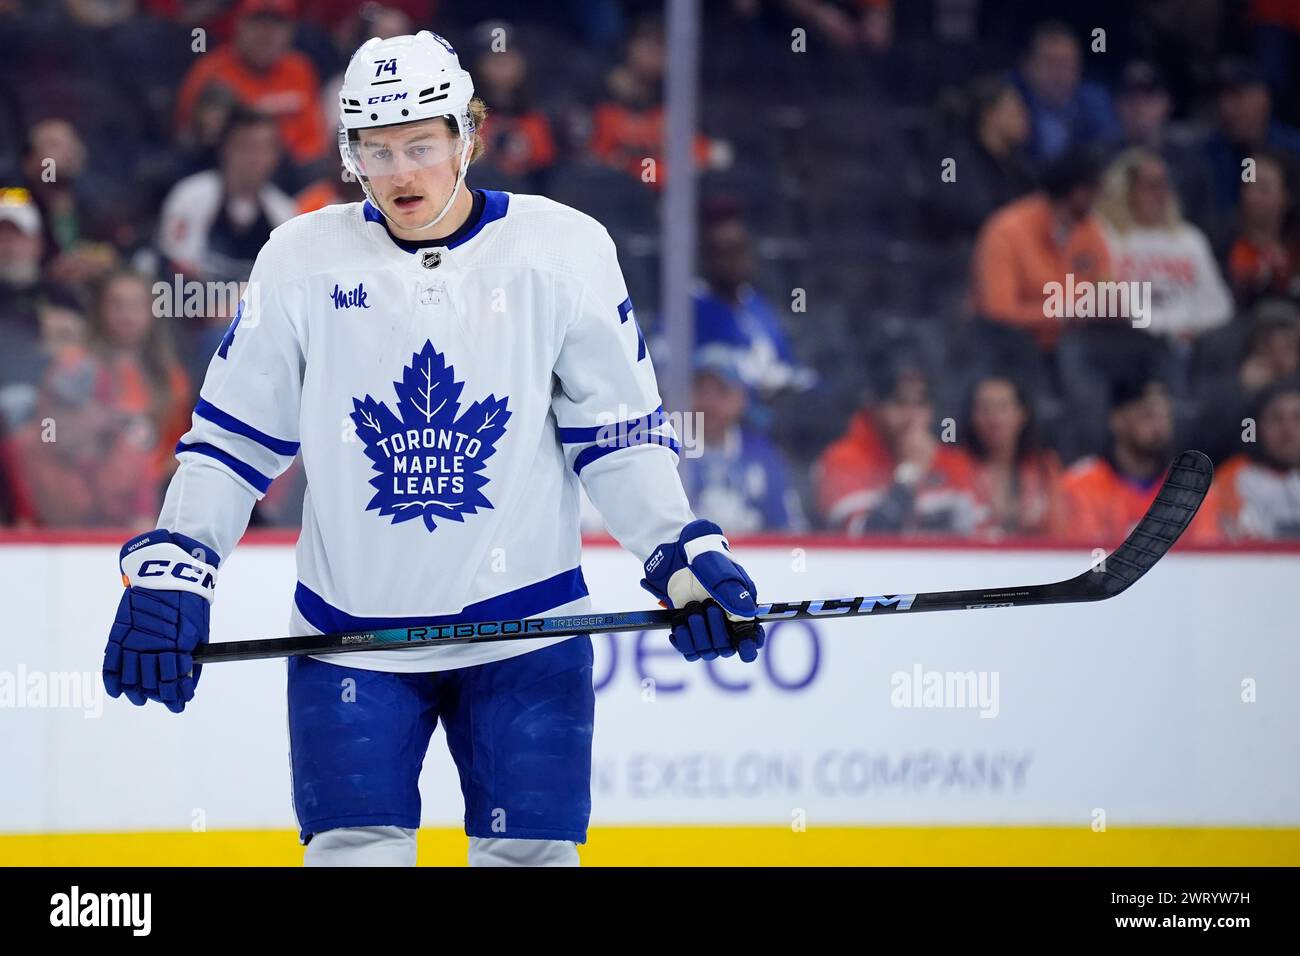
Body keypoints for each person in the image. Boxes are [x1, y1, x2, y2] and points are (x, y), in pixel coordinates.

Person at [100, 31, 765, 869]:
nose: (401, 173)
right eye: (375, 151)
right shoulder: (301, 258)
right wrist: (176, 565)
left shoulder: (563, 250)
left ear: (468, 136)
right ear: (350, 155)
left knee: (532, 860)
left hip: (528, 634)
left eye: (420, 145)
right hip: (351, 641)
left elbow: (619, 436)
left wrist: (679, 553)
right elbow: (233, 440)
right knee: (354, 856)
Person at [814, 362, 985, 536]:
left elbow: (983, 539)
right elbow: (864, 541)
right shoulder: (843, 461)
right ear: (874, 407)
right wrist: (909, 474)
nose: (911, 416)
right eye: (899, 403)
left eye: (920, 404)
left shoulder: (951, 462)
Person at [1055, 377, 1222, 544]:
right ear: (1117, 420)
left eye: (1165, 416)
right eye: (1148, 415)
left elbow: (1206, 556)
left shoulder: (1193, 488)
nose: (1159, 426)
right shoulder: (1082, 484)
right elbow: (1079, 557)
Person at [686, 348, 806, 533]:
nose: (709, 402)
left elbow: (788, 529)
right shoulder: (667, 452)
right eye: (700, 390)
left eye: (722, 391)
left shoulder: (765, 457)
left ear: (741, 398)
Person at [962, 374, 1064, 537]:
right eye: (985, 408)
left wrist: (1041, 519)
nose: (994, 418)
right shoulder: (957, 465)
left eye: (1003, 407)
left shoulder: (1044, 467)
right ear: (972, 417)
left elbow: (1062, 531)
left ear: (1022, 414)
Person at [1213, 377, 1300, 540]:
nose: (1288, 430)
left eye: (1297, 418)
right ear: (1257, 427)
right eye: (1276, 418)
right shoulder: (1232, 477)